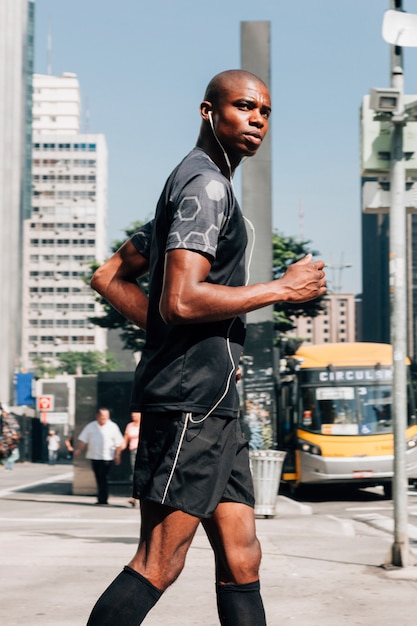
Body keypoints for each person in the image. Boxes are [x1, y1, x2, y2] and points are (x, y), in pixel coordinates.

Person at [87, 69, 326, 625]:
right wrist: (283, 289)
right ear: (208, 111)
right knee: (159, 561)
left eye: (265, 112)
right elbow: (184, 300)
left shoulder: (199, 186)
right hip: (191, 404)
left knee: (242, 557)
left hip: (218, 406)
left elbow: (109, 276)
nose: (257, 120)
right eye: (244, 107)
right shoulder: (206, 187)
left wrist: (173, 329)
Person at [74, 408, 124, 505]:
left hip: (107, 457)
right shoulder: (91, 426)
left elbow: (118, 442)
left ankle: (103, 498)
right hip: (94, 456)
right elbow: (83, 439)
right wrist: (79, 449)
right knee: (98, 477)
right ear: (98, 416)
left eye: (106, 416)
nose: (104, 418)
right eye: (103, 416)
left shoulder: (113, 427)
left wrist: (117, 455)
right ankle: (102, 496)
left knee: (103, 476)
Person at [121, 411, 141, 507]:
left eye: (136, 414)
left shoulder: (144, 424)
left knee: (142, 473)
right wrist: (118, 451)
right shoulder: (130, 426)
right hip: (133, 451)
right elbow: (125, 440)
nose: (133, 416)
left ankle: (139, 496)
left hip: (142, 451)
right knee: (134, 473)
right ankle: (134, 497)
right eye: (132, 414)